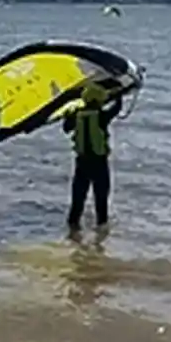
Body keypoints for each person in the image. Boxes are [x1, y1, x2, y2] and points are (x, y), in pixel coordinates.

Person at [61, 80, 127, 233]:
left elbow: (66, 128)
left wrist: (68, 115)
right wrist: (119, 94)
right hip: (99, 163)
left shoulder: (77, 116)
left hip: (82, 163)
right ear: (100, 100)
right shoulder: (102, 116)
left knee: (77, 202)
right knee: (101, 201)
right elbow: (117, 109)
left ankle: (72, 231)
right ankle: (101, 236)